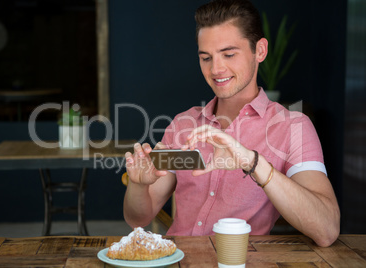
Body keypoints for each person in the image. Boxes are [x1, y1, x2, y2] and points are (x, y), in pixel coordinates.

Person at [124, 0, 340, 247]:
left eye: (228, 54)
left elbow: (327, 230)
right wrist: (139, 186)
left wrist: (251, 161)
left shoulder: (293, 128)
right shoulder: (184, 124)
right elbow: (137, 218)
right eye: (206, 58)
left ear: (260, 50)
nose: (216, 69)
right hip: (177, 260)